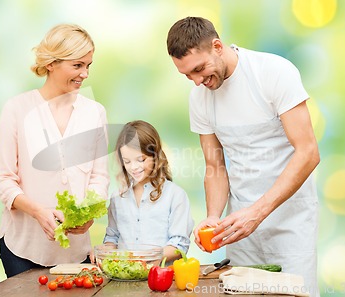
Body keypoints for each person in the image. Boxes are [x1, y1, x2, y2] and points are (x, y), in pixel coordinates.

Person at [167, 17, 320, 296]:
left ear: (217, 46)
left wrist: (257, 212)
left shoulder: (273, 72)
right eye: (188, 75)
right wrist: (214, 217)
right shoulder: (199, 97)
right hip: (239, 230)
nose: (197, 81)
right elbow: (215, 166)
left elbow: (308, 152)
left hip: (290, 223)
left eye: (199, 69)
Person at [0, 24, 109, 278]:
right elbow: (3, 180)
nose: (85, 73)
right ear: (51, 63)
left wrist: (88, 215)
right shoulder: (17, 109)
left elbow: (100, 177)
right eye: (77, 65)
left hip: (76, 250)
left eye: (88, 65)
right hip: (22, 248)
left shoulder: (94, 112)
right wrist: (37, 212)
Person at [103, 120, 194, 263]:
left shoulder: (175, 195)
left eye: (140, 159)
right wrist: (104, 251)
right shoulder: (117, 197)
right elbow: (112, 238)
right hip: (124, 277)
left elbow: (179, 244)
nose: (133, 167)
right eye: (127, 161)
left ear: (155, 155)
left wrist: (148, 258)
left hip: (161, 277)